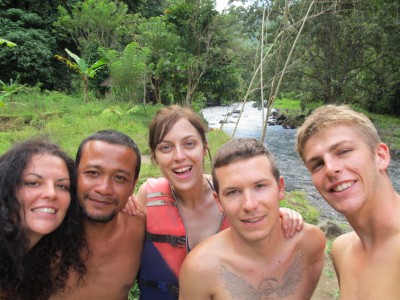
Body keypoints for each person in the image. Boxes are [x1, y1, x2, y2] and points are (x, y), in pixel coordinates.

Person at [135, 105, 305, 300]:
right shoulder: (147, 197)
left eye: (189, 144)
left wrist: (279, 214)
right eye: (166, 147)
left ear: (204, 146)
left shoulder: (233, 196)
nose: (179, 156)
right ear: (154, 156)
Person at [178, 138, 326, 299]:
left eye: (260, 186)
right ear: (219, 201)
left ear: (280, 188)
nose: (249, 205)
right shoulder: (201, 268)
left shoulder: (310, 242)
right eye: (233, 192)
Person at [295, 104, 400, 299]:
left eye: (343, 151)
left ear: (381, 156)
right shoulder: (341, 250)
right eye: (317, 164)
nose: (330, 169)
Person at [50, 130, 146, 300]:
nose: (104, 188)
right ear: (74, 174)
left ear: (133, 185)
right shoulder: (43, 231)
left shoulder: (140, 228)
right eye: (93, 173)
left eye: (120, 178)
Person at [0, 138, 87, 300]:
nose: (51, 193)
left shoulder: (42, 258)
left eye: (62, 186)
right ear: (6, 189)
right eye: (33, 183)